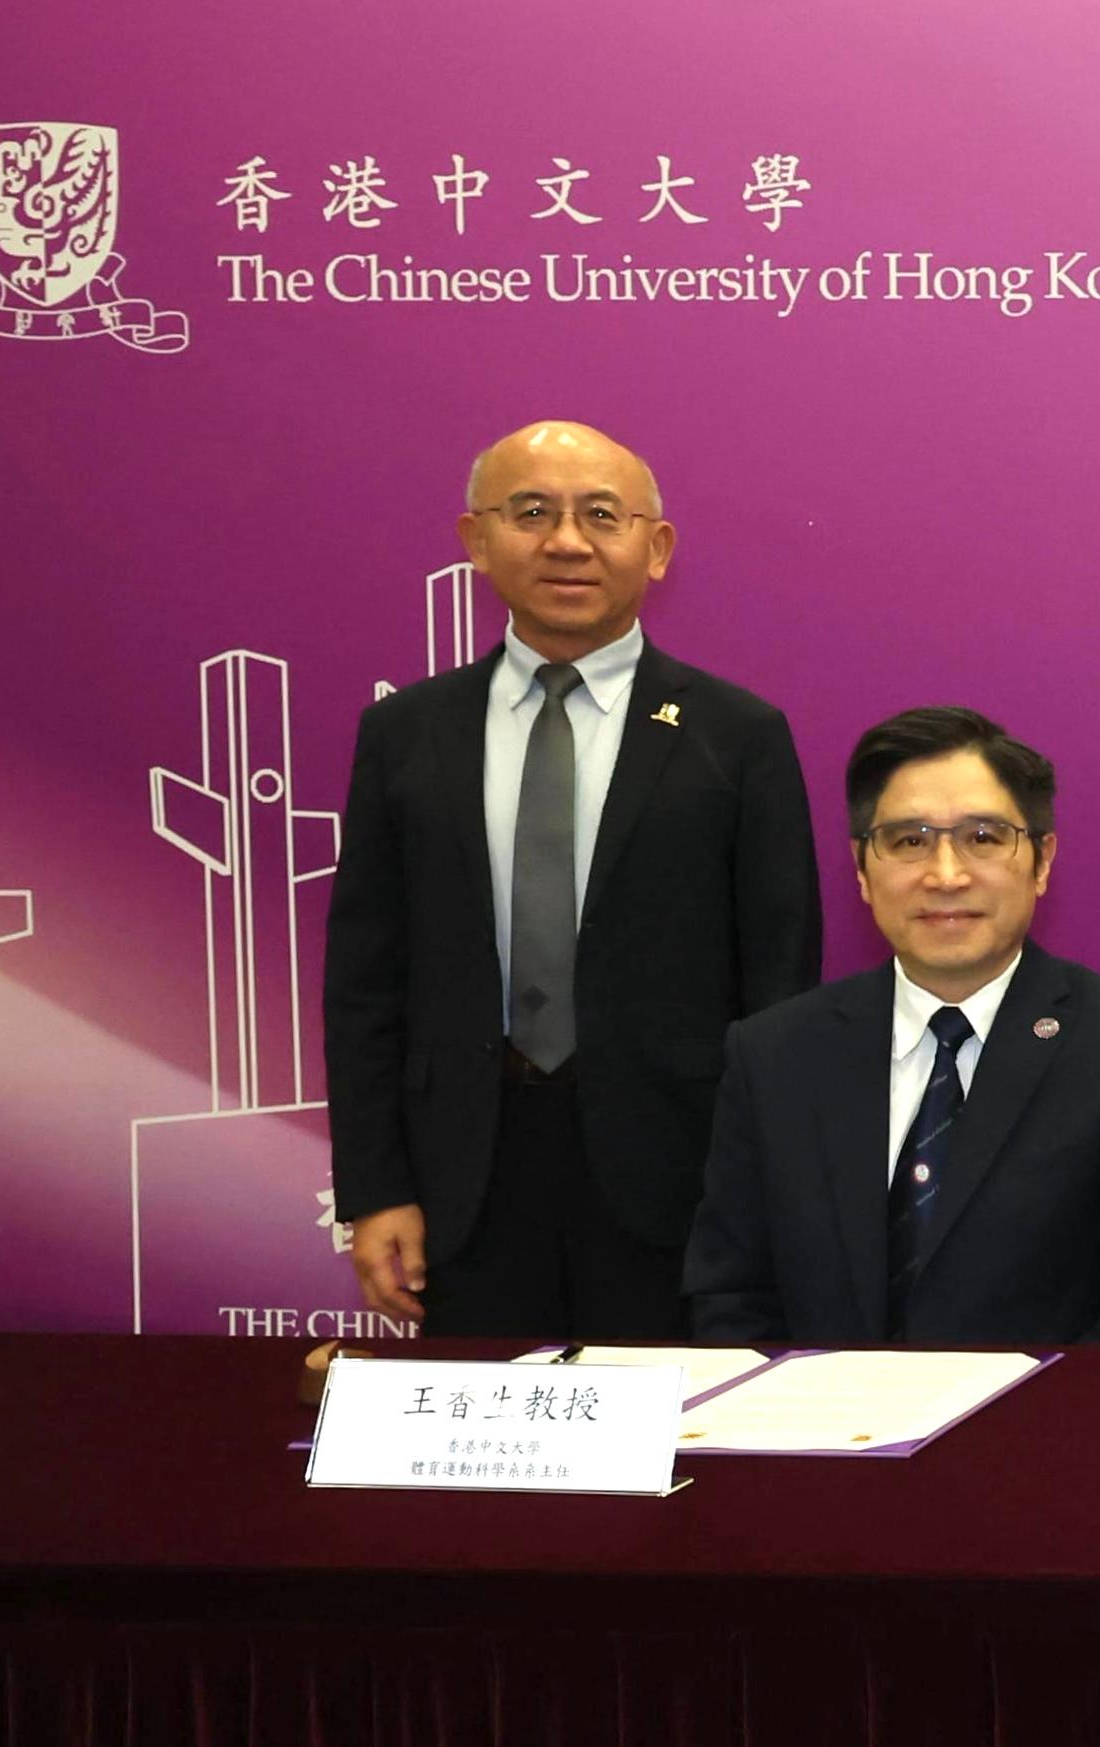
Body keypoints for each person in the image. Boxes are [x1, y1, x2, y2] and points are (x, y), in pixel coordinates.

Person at [326, 421, 823, 1338]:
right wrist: (376, 1186)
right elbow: (365, 982)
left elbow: (781, 986)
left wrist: (762, 1195)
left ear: (656, 547)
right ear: (477, 540)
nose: (566, 540)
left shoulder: (738, 735)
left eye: (601, 514)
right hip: (462, 1181)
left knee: (682, 1461)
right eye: (531, 512)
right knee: (487, 1466)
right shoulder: (408, 733)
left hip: (678, 1184)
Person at [684, 707, 1100, 1345]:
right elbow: (729, 1298)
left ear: (1042, 861)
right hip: (820, 1436)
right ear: (861, 869)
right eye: (909, 841)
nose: (945, 875)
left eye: (984, 838)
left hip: (1042, 1435)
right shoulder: (773, 1054)